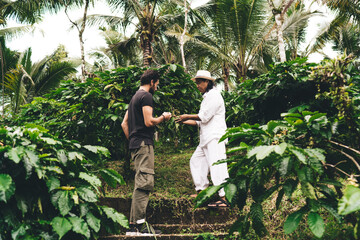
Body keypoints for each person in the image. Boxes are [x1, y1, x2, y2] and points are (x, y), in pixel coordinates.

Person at [121, 69, 172, 236]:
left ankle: (133, 224)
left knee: (139, 182)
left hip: (135, 145)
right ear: (152, 82)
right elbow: (149, 121)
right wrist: (163, 117)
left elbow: (124, 124)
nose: (157, 86)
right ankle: (141, 225)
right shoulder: (146, 96)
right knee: (145, 182)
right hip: (144, 144)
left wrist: (133, 140)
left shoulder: (134, 97)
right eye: (157, 83)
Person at [175, 70, 229, 208]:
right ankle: (202, 191)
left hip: (215, 136)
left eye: (199, 82)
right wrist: (181, 120)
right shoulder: (207, 97)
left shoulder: (214, 96)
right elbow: (200, 122)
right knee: (196, 161)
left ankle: (224, 197)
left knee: (217, 166)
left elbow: (203, 117)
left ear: (207, 82)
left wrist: (187, 115)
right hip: (206, 138)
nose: (197, 85)